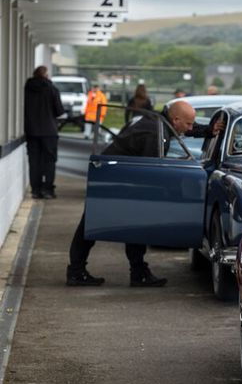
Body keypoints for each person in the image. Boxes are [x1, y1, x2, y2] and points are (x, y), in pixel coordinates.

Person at [66, 101, 209, 287]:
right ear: (175, 119)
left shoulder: (158, 121)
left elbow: (184, 128)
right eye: (189, 124)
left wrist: (208, 130)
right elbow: (151, 171)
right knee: (95, 225)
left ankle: (137, 272)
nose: (190, 128)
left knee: (125, 223)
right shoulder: (155, 132)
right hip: (114, 178)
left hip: (112, 174)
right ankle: (79, 272)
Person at [23, 65, 65, 200]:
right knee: (49, 161)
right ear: (46, 75)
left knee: (34, 161)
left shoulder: (27, 89)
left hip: (32, 131)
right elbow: (59, 111)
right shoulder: (52, 89)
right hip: (49, 132)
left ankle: (35, 190)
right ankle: (47, 190)